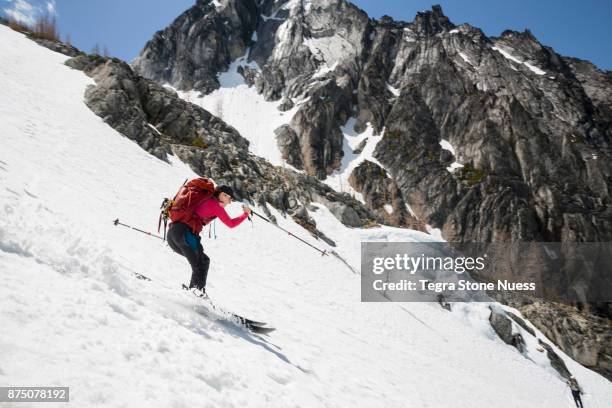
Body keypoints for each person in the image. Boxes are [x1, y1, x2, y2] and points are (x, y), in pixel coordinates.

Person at [166, 185, 251, 296]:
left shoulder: (205, 199)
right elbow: (231, 224)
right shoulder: (216, 206)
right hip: (185, 234)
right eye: (230, 199)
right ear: (222, 194)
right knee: (200, 264)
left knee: (203, 261)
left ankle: (196, 292)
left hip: (173, 234)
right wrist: (245, 214)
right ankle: (196, 294)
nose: (230, 202)